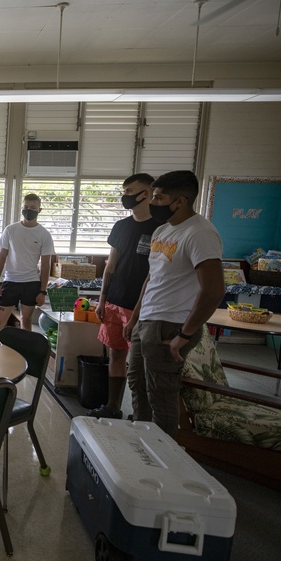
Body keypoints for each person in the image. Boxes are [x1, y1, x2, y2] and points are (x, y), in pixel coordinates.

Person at [123, 170, 225, 439]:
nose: (153, 203)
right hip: (147, 321)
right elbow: (151, 278)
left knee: (161, 395)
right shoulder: (162, 230)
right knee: (137, 384)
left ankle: (162, 458)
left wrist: (185, 334)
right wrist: (134, 319)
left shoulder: (200, 233)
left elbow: (213, 290)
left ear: (180, 201)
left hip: (170, 325)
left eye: (159, 197)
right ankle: (140, 441)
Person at [89, 173, 164, 420]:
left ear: (147, 194)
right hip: (114, 301)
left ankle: (142, 415)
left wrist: (137, 314)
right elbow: (110, 265)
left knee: (140, 363)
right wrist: (101, 300)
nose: (126, 196)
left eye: (130, 191)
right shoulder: (121, 227)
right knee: (116, 354)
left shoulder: (161, 229)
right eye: (124, 190)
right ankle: (112, 407)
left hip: (142, 307)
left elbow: (155, 273)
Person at [0, 193, 56, 332]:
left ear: (39, 210)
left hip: (31, 283)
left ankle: (25, 353)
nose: (28, 210)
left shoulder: (44, 234)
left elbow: (46, 265)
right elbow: (1, 257)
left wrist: (43, 292)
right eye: (26, 207)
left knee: (25, 321)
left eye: (33, 207)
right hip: (11, 281)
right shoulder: (11, 230)